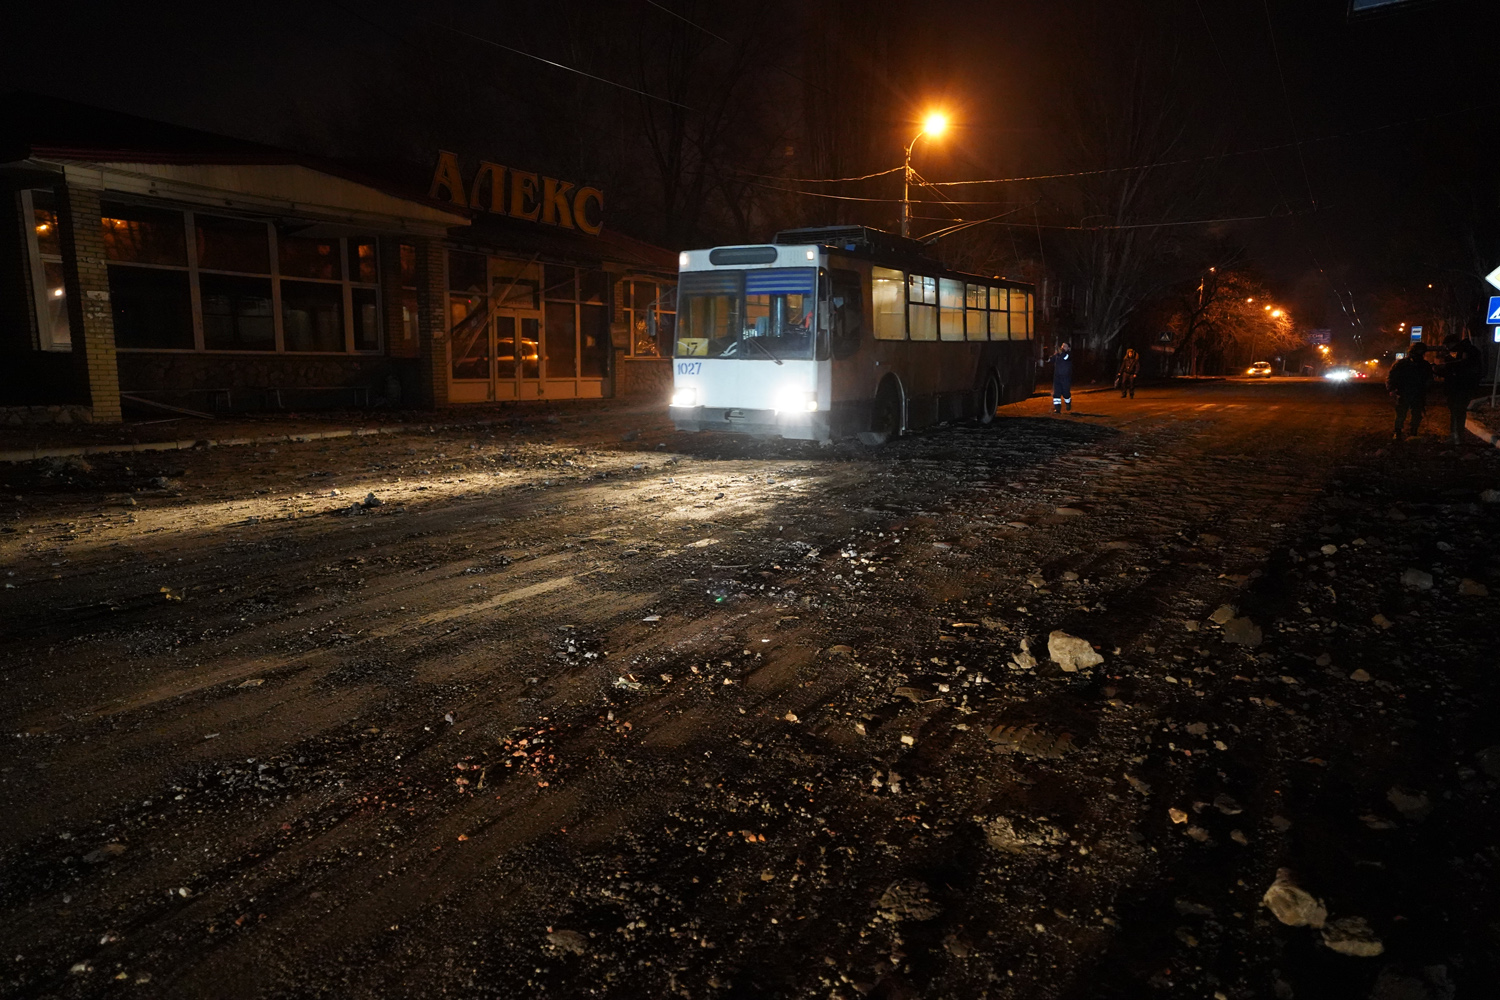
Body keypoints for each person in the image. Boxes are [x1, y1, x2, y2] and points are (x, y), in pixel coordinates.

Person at [1435, 334, 1482, 445]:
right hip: (1456, 387)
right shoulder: (1459, 352)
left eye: (1447, 345)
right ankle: (1456, 436)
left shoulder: (1467, 351)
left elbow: (1463, 366)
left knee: (1458, 411)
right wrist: (1438, 370)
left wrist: (1445, 366)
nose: (1447, 347)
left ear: (1453, 343)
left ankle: (1457, 436)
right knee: (1455, 411)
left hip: (1462, 387)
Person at [1385, 343, 1432, 442]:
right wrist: (1392, 389)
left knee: (1416, 414)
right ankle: (1398, 431)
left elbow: (1429, 379)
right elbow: (1392, 377)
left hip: (1417, 393)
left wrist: (1426, 388)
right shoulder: (1402, 364)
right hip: (1404, 392)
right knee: (1401, 414)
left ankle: (1413, 432)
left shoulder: (1424, 365)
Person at [1048, 342, 1074, 413]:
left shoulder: (1069, 355)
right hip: (1057, 377)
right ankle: (1057, 409)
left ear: (1068, 348)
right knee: (1056, 393)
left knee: (1066, 393)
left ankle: (1068, 402)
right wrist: (1046, 355)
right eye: (1062, 346)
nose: (1063, 347)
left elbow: (1065, 357)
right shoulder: (1057, 355)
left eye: (1065, 346)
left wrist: (1059, 351)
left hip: (1065, 378)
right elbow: (1050, 360)